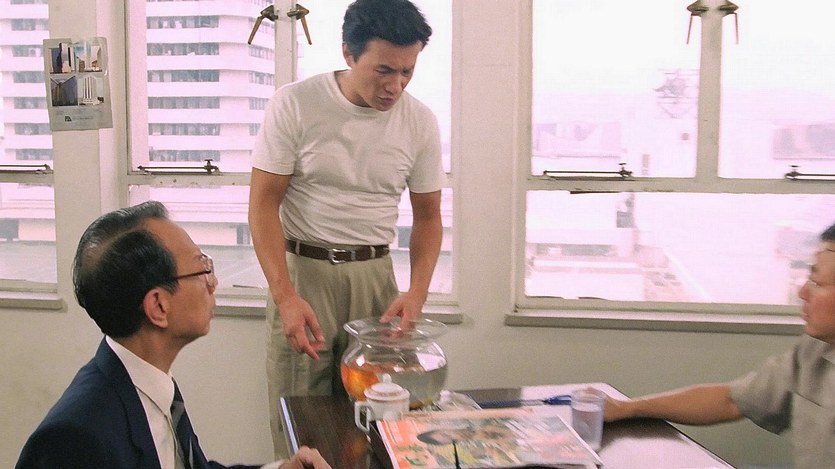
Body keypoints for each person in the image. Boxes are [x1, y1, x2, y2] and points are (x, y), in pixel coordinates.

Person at [248, 0, 444, 453]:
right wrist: (284, 296)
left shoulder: (419, 121)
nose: (395, 86)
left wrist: (416, 293)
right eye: (384, 70)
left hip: (375, 279)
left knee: (380, 425)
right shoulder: (295, 104)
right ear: (348, 53)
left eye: (407, 71)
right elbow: (262, 205)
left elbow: (429, 218)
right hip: (303, 276)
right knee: (303, 427)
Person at [15, 201, 330, 469]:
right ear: (158, 306)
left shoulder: (149, 383)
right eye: (202, 268)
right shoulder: (74, 440)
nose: (213, 283)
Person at [603, 222, 835, 469]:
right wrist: (627, 408)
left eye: (817, 283)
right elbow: (732, 400)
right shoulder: (814, 351)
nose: (802, 293)